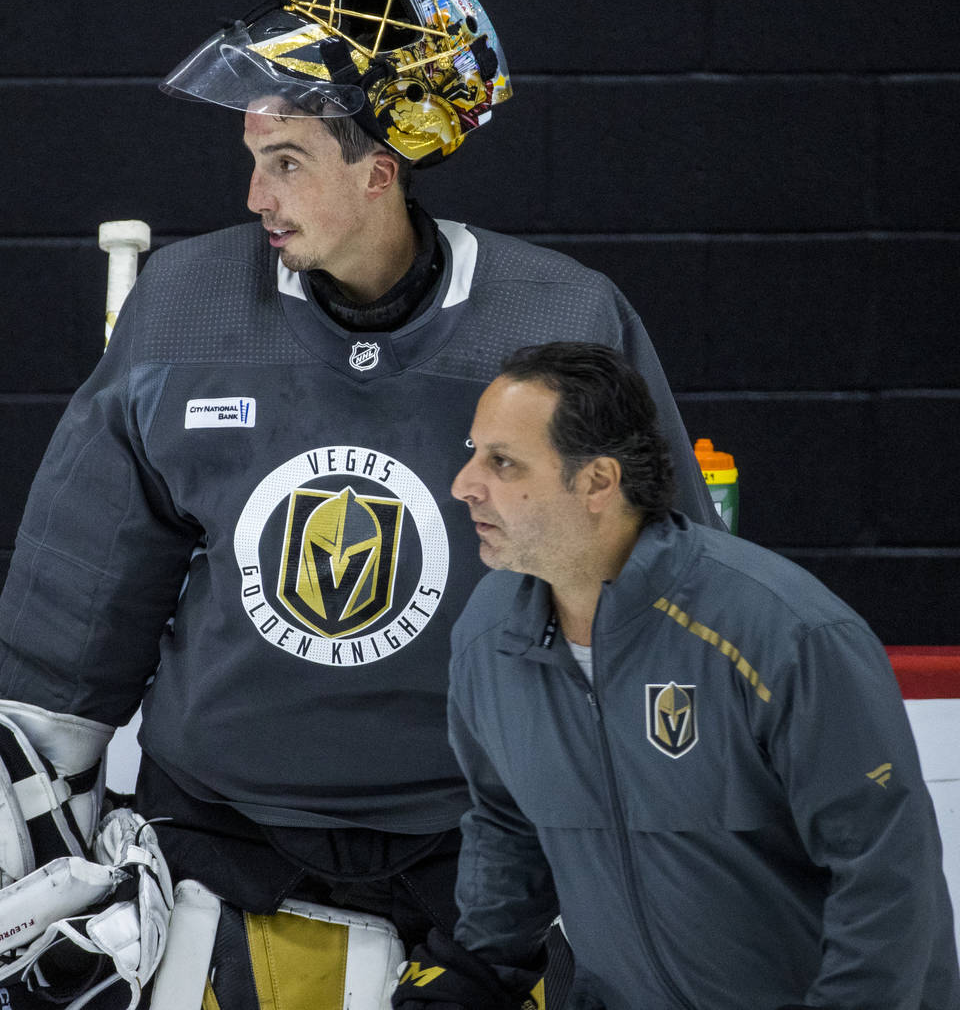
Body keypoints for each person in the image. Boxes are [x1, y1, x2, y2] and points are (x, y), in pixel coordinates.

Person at [0, 0, 720, 1000]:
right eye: (252, 156)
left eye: (286, 160)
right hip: (221, 833)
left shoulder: (560, 321)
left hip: (484, 844)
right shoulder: (185, 304)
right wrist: (46, 828)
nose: (254, 196)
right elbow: (83, 586)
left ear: (380, 169)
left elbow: (663, 599)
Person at [407, 340, 959, 1010]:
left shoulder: (784, 634)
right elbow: (509, 824)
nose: (464, 482)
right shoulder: (489, 637)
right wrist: (481, 967)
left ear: (597, 483)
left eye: (502, 462)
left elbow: (886, 873)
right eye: (474, 452)